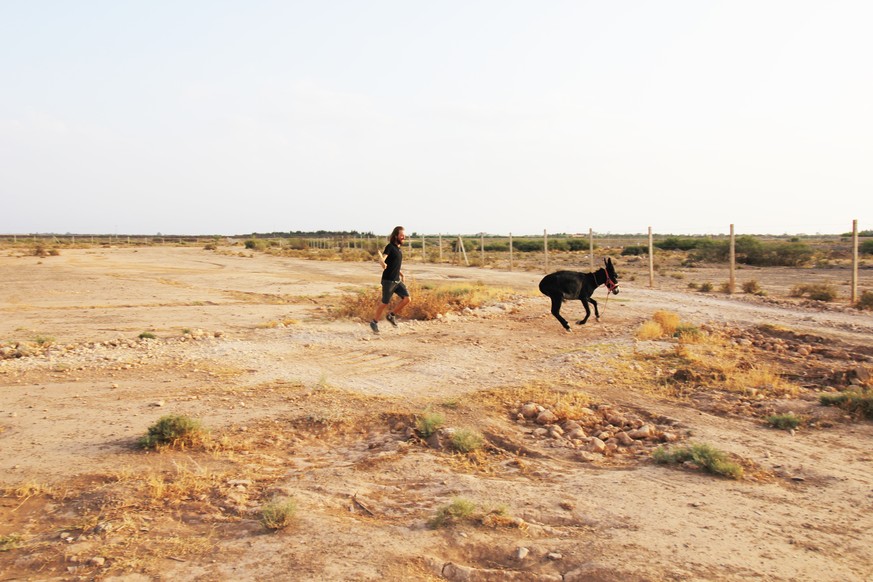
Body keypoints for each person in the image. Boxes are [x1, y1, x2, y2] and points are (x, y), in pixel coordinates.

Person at [370, 226, 411, 334]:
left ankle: (391, 315)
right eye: (402, 235)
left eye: (404, 235)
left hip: (397, 280)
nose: (404, 237)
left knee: (407, 299)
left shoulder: (398, 249)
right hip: (388, 281)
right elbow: (383, 258)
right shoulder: (390, 247)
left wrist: (401, 274)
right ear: (396, 236)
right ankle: (374, 322)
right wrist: (382, 263)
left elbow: (395, 265)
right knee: (384, 303)